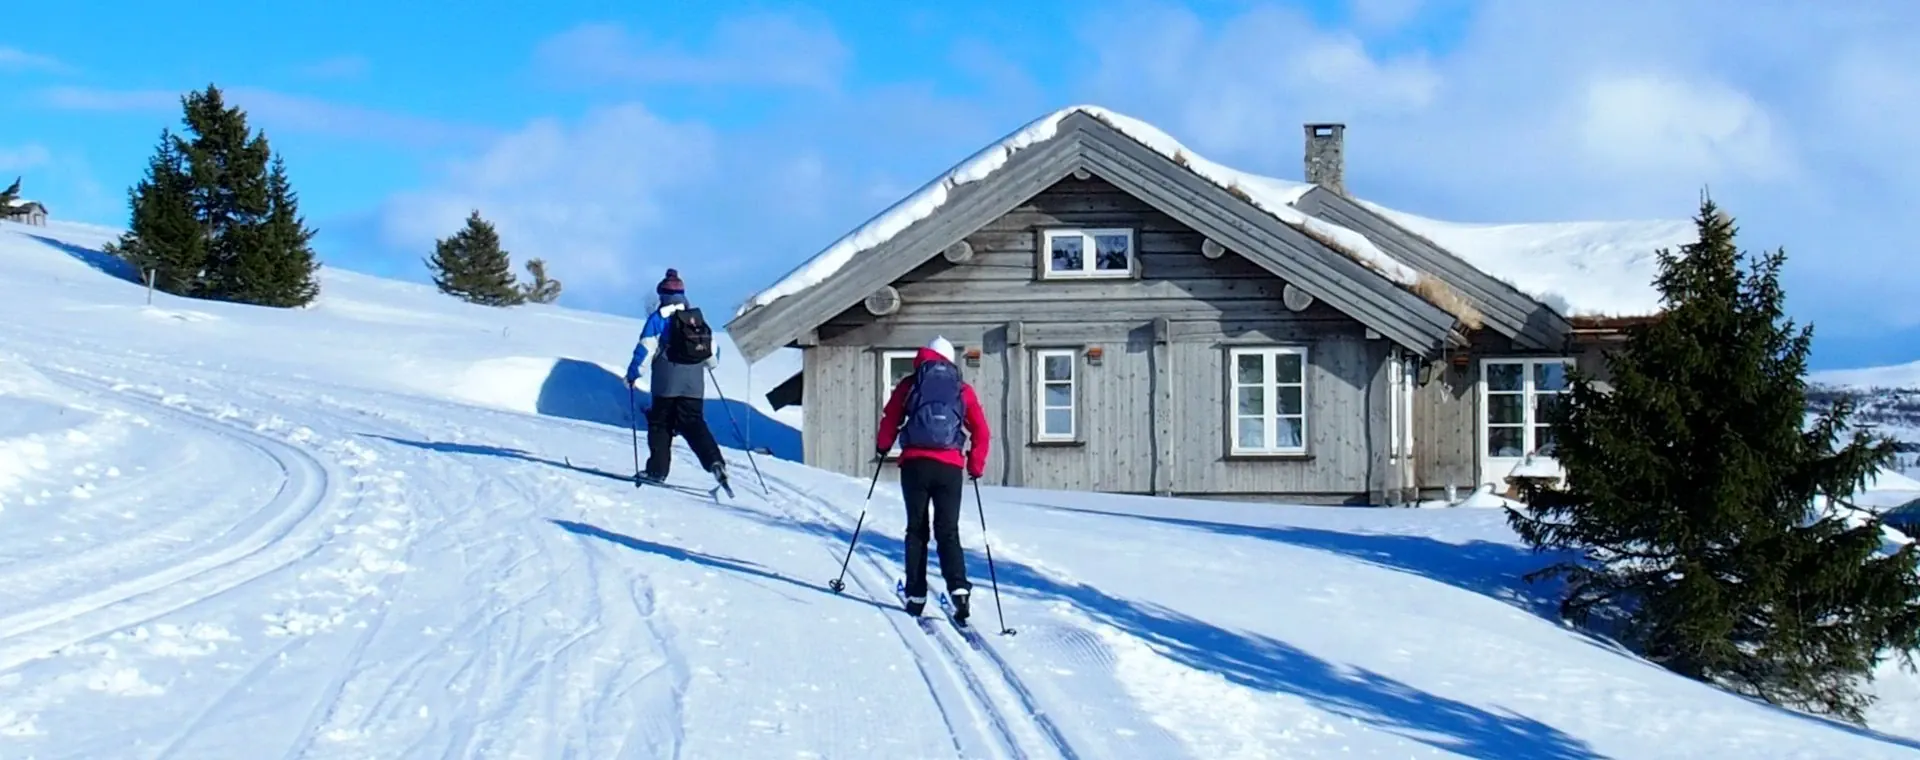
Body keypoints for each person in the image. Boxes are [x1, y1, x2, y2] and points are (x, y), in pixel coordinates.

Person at [875, 336, 990, 621]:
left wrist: (883, 446)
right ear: (950, 360)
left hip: (915, 465)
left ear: (925, 356)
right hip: (950, 468)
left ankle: (915, 595)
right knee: (948, 531)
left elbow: (890, 418)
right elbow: (982, 432)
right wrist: (975, 465)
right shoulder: (962, 389)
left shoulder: (910, 384)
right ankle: (959, 591)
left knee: (916, 530)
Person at [625, 268, 729, 491]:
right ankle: (714, 461)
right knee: (694, 423)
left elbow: (645, 350)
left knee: (660, 424)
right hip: (694, 384)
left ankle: (657, 472)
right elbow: (713, 356)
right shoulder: (696, 318)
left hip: (666, 383)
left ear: (662, 294)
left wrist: (633, 374)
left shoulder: (658, 319)